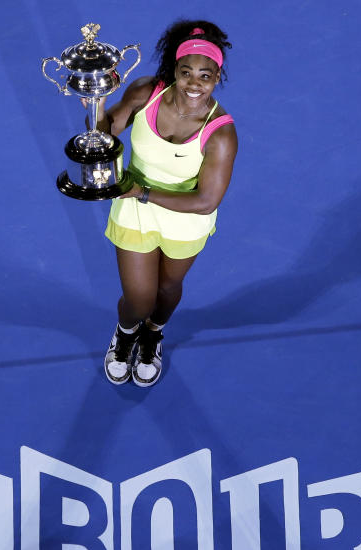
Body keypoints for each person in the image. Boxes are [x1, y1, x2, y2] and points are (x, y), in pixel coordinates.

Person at [90, 20, 237, 387]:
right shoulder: (145, 92)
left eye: (205, 75)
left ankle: (153, 333)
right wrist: (97, 100)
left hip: (184, 219)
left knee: (166, 291)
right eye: (186, 72)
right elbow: (104, 135)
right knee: (138, 299)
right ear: (174, 69)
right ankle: (126, 333)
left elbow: (205, 201)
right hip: (135, 211)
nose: (194, 83)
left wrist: (140, 192)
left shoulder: (221, 133)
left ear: (217, 78)